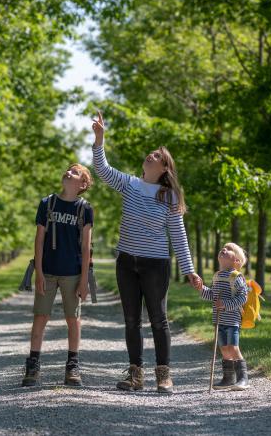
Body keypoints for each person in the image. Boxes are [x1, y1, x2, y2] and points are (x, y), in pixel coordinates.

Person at [91, 111, 201, 394]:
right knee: (131, 319)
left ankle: (164, 375)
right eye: (150, 154)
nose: (150, 156)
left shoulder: (169, 196)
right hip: (126, 262)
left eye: (156, 156)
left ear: (165, 168)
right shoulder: (130, 185)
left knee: (158, 319)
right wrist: (99, 140)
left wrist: (189, 270)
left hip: (156, 265)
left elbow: (178, 234)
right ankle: (135, 374)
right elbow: (102, 170)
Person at [21, 163, 94, 387]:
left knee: (73, 319)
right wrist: (39, 273)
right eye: (68, 170)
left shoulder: (85, 209)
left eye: (75, 172)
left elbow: (85, 247)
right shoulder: (47, 203)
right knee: (40, 316)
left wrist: (84, 280)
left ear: (82, 184)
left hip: (72, 273)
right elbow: (39, 240)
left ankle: (72, 366)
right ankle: (33, 364)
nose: (68, 172)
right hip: (49, 272)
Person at [194, 242, 250, 390]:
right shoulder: (217, 276)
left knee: (233, 347)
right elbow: (212, 295)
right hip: (219, 319)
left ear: (236, 261)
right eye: (223, 248)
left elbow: (243, 298)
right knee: (224, 348)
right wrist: (201, 288)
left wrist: (225, 304)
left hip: (232, 319)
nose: (224, 250)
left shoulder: (236, 277)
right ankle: (228, 378)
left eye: (230, 250)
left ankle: (243, 378)